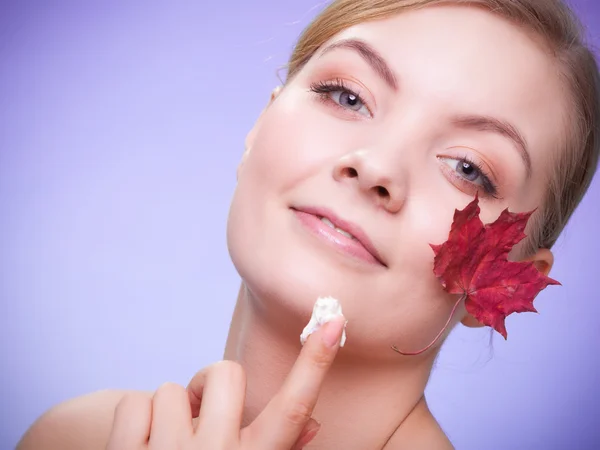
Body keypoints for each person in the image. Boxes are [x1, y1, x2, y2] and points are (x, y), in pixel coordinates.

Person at [17, 0, 600, 448]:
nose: (374, 165)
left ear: (508, 283)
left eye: (468, 168)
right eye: (347, 97)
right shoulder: (74, 436)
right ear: (259, 126)